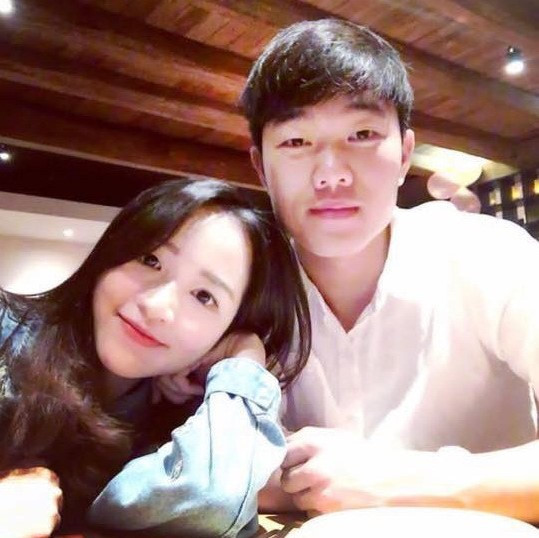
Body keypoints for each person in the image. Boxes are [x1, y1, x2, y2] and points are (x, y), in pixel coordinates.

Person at [237, 19, 539, 520]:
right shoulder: (237, 288)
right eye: (295, 142)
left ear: (403, 155)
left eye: (362, 134)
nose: (331, 173)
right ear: (260, 167)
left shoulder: (488, 255)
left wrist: (399, 480)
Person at [0, 178, 311, 537]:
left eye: (204, 296)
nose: (157, 306)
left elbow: (206, 504)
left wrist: (243, 356)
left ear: (227, 329)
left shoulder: (177, 422)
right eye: (150, 260)